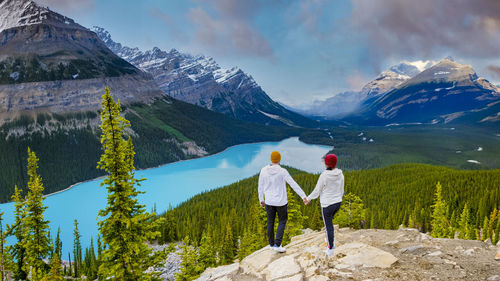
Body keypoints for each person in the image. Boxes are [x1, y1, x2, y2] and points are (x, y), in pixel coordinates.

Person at [258, 151, 309, 253]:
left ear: (271, 159)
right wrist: (303, 196)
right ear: (279, 159)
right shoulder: (282, 171)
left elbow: (260, 187)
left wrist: (261, 199)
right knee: (282, 221)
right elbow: (293, 184)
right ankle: (277, 244)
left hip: (269, 201)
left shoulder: (263, 170)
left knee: (270, 222)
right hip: (281, 202)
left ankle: (271, 244)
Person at [305, 154, 344, 256]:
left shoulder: (324, 176)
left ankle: (330, 248)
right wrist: (338, 199)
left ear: (326, 163)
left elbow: (317, 191)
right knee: (329, 223)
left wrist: (308, 199)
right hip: (337, 203)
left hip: (327, 204)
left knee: (328, 226)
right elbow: (341, 190)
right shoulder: (340, 174)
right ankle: (328, 238)